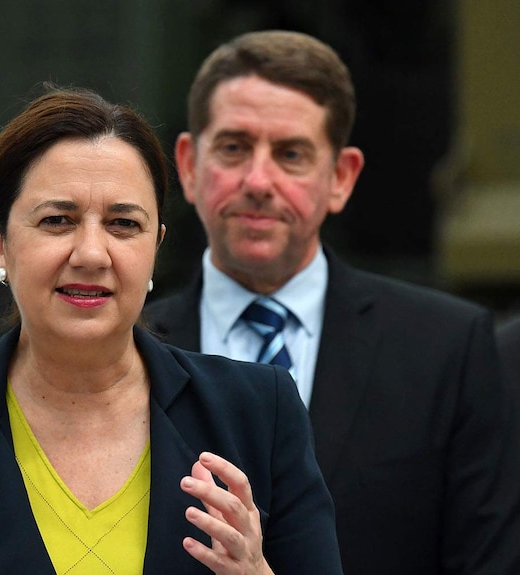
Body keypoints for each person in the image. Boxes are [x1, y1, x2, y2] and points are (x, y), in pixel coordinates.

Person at [0, 86, 343, 574]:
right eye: (57, 220)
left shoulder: (258, 411)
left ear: (155, 246)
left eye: (123, 224)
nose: (92, 254)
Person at [144, 30, 520, 575]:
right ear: (188, 165)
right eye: (233, 147)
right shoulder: (124, 345)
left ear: (341, 178)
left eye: (291, 154)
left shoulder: (446, 350)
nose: (258, 180)